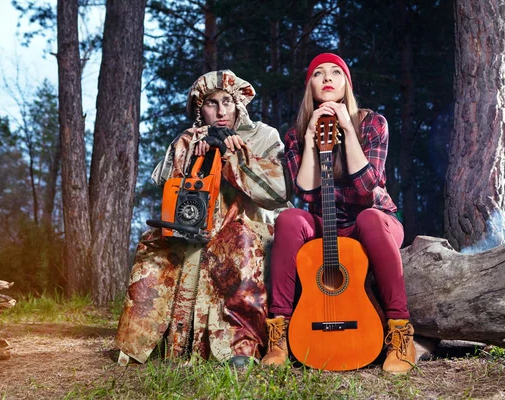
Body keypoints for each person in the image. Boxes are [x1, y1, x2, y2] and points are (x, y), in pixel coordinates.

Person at [115, 70, 291, 367]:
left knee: (238, 244)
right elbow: (162, 178)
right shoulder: (191, 137)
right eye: (212, 103)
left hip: (249, 224)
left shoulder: (263, 135)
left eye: (227, 101)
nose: (221, 111)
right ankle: (142, 343)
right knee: (155, 246)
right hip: (194, 226)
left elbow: (278, 189)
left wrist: (233, 154)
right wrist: (194, 147)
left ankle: (238, 347)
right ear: (201, 108)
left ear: (239, 104)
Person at [261, 53, 416, 374]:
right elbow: (305, 192)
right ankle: (278, 335)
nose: (327, 78)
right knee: (289, 219)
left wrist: (347, 125)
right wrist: (308, 139)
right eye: (318, 73)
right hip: (328, 225)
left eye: (336, 72)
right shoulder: (293, 135)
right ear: (310, 86)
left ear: (347, 83)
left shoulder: (373, 123)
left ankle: (400, 334)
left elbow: (366, 186)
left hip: (376, 221)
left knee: (368, 218)